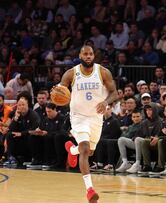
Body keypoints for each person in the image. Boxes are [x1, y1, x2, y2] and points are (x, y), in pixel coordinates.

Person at [56, 45, 118, 203]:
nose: (88, 56)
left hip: (96, 117)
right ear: (80, 55)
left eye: (91, 54)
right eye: (85, 54)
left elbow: (114, 92)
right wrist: (56, 93)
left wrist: (106, 102)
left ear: (93, 56)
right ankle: (90, 190)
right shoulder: (71, 73)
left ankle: (72, 150)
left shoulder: (103, 71)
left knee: (89, 152)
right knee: (85, 149)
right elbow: (59, 90)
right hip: (78, 116)